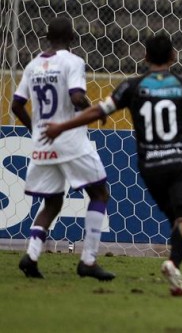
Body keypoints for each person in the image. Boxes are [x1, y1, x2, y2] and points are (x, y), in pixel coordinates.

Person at [41, 32, 182, 297]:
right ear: (173, 56)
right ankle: (173, 263)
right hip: (180, 161)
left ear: (145, 58)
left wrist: (62, 126)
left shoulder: (130, 87)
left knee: (176, 220)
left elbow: (99, 110)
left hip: (151, 166)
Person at [11, 16, 115, 281]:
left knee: (52, 201)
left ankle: (31, 256)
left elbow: (16, 105)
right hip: (70, 140)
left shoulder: (33, 65)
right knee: (100, 193)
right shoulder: (73, 61)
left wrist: (35, 130)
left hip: (44, 142)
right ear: (72, 38)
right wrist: (94, 109)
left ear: (47, 37)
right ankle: (88, 261)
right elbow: (76, 97)